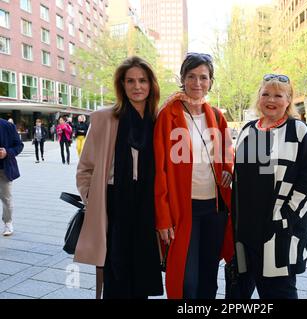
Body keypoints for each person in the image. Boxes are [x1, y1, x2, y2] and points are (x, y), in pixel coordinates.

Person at [75, 56, 163, 299]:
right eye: (130, 81)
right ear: (122, 85)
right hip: (114, 202)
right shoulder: (104, 118)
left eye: (143, 80)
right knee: (115, 270)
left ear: (151, 84)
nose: (137, 86)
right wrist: (93, 199)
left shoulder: (159, 121)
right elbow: (85, 169)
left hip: (147, 204)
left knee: (143, 270)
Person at [231, 74, 307, 299]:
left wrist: (287, 215)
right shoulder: (248, 130)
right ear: (258, 98)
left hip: (280, 230)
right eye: (266, 94)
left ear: (289, 99)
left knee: (279, 290)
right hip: (245, 231)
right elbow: (242, 175)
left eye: (278, 95)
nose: (271, 99)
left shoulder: (298, 131)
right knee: (237, 289)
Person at [154, 52, 234, 299]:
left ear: (211, 81)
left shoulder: (217, 115)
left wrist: (228, 170)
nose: (197, 83)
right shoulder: (169, 114)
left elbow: (227, 151)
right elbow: (160, 170)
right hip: (183, 209)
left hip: (214, 208)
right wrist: (163, 218)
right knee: (186, 280)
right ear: (182, 78)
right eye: (191, 77)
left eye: (203, 77)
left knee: (209, 278)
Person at [0, 118, 24, 236]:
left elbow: (19, 145)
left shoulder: (7, 126)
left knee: (6, 198)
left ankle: (8, 222)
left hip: (4, 169)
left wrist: (7, 152)